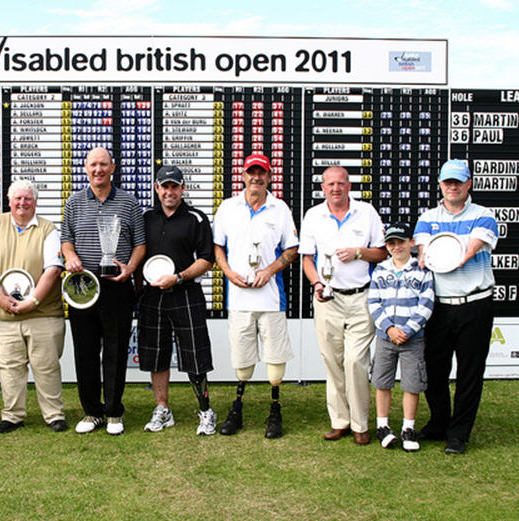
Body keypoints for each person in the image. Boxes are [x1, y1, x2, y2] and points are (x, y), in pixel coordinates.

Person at [414, 159, 498, 455]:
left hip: (475, 303)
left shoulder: (484, 216)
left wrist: (446, 248)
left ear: (468, 184)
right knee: (434, 369)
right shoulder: (426, 218)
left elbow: (465, 252)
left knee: (470, 372)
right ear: (440, 184)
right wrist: (432, 251)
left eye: (458, 182)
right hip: (439, 306)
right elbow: (424, 253)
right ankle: (439, 423)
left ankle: (459, 434)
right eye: (448, 182)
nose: (452, 187)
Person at [299, 166, 387, 445]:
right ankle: (340, 421)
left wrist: (358, 252)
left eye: (341, 183)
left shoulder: (367, 212)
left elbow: (383, 252)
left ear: (349, 186)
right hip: (328, 298)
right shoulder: (313, 216)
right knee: (332, 361)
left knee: (355, 361)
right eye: (330, 184)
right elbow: (307, 259)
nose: (335, 188)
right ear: (322, 188)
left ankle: (361, 424)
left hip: (362, 296)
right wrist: (316, 284)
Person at [212, 153, 299, 438]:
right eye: (252, 172)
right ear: (243, 175)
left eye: (262, 173)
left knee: (275, 362)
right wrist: (227, 272)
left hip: (271, 300)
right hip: (238, 299)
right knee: (242, 362)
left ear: (269, 176)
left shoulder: (280, 209)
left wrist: (270, 270)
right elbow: (217, 248)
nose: (256, 177)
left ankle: (275, 411)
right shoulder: (227, 208)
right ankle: (236, 409)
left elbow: (291, 250)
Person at [61, 147, 146, 435]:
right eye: (93, 165)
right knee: (85, 350)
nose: (98, 170)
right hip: (83, 285)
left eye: (103, 164)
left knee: (115, 349)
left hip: (117, 286)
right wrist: (70, 256)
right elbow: (66, 240)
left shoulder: (129, 202)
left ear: (113, 167)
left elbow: (140, 244)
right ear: (86, 168)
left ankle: (113, 412)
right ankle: (91, 411)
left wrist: (130, 269)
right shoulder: (73, 203)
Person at [0, 179, 67, 434]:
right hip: (6, 314)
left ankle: (54, 414)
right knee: (10, 366)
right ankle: (12, 415)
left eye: (28, 198)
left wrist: (33, 301)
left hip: (43, 312)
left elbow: (52, 270)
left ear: (35, 202)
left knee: (46, 365)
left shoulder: (48, 229)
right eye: (18, 198)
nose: (22, 203)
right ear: (9, 201)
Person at [138, 165, 217, 435]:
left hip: (186, 292)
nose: (169, 192)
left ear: (183, 188)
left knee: (196, 356)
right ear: (156, 189)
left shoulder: (196, 218)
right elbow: (136, 253)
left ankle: (205, 411)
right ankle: (163, 409)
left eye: (174, 186)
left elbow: (207, 259)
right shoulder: (145, 216)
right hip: (152, 296)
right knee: (156, 355)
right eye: (164, 186)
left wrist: (180, 277)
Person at [367, 222, 434, 452]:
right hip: (386, 338)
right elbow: (373, 302)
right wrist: (389, 329)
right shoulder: (380, 270)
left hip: (412, 339)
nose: (397, 247)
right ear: (387, 246)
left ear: (411, 243)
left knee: (411, 384)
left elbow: (426, 304)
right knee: (381, 382)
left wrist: (408, 329)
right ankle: (382, 426)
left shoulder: (423, 270)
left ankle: (408, 428)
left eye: (401, 242)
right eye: (392, 243)